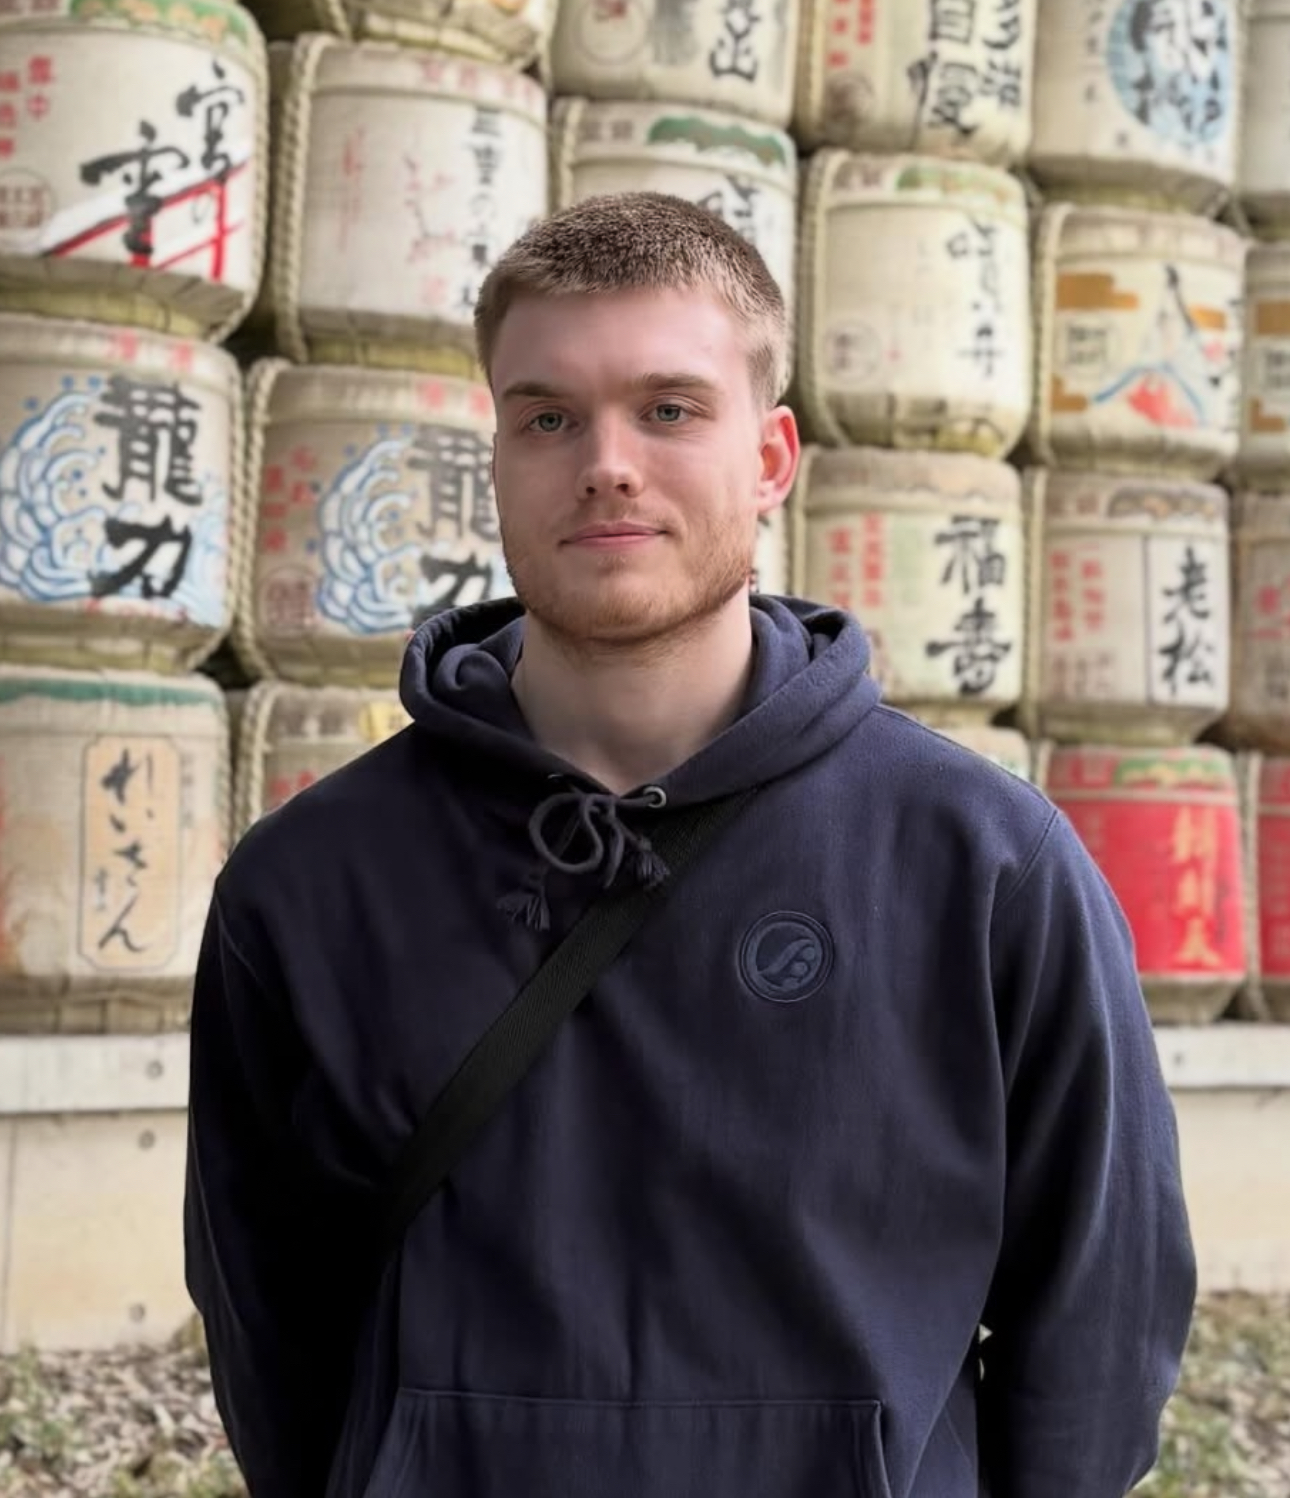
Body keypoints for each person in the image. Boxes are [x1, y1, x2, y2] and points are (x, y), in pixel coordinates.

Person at [184, 192, 1196, 1498]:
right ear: (495, 456)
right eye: (547, 417)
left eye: (667, 408)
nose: (605, 462)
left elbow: (1101, 1318)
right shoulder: (309, 884)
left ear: (771, 457)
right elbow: (270, 1325)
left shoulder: (983, 862)